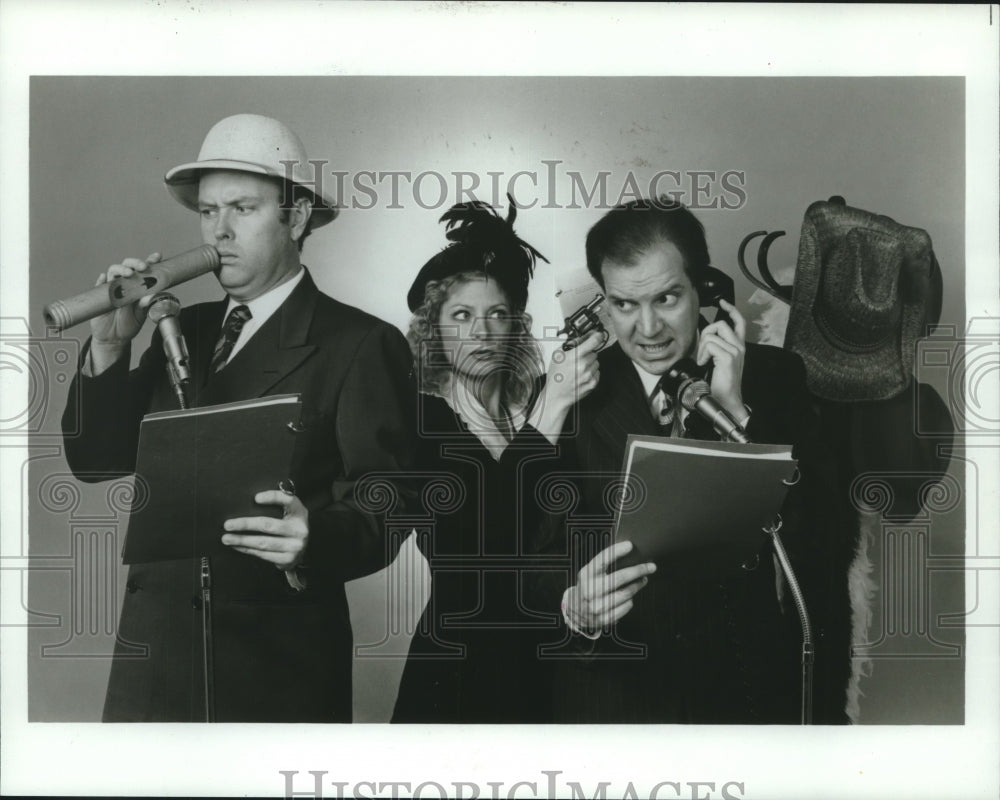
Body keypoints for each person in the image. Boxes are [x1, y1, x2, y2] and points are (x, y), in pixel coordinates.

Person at [60, 114, 417, 722]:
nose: (218, 231)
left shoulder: (360, 342)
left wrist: (315, 538)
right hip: (156, 661)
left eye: (243, 209)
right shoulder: (187, 326)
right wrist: (111, 346)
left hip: (275, 669)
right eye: (207, 211)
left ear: (296, 217)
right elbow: (96, 461)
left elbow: (393, 498)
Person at [529, 197, 827, 723]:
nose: (647, 329)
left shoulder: (777, 377)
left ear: (705, 290)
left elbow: (810, 538)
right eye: (624, 304)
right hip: (613, 695)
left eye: (667, 298)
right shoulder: (564, 395)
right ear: (603, 302)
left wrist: (736, 412)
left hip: (742, 691)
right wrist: (573, 608)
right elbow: (529, 549)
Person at [391, 198, 602, 723]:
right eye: (461, 316)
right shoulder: (421, 421)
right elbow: (483, 546)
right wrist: (553, 408)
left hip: (551, 665)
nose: (482, 332)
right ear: (433, 330)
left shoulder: (531, 412)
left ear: (515, 328)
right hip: (461, 669)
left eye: (496, 315)